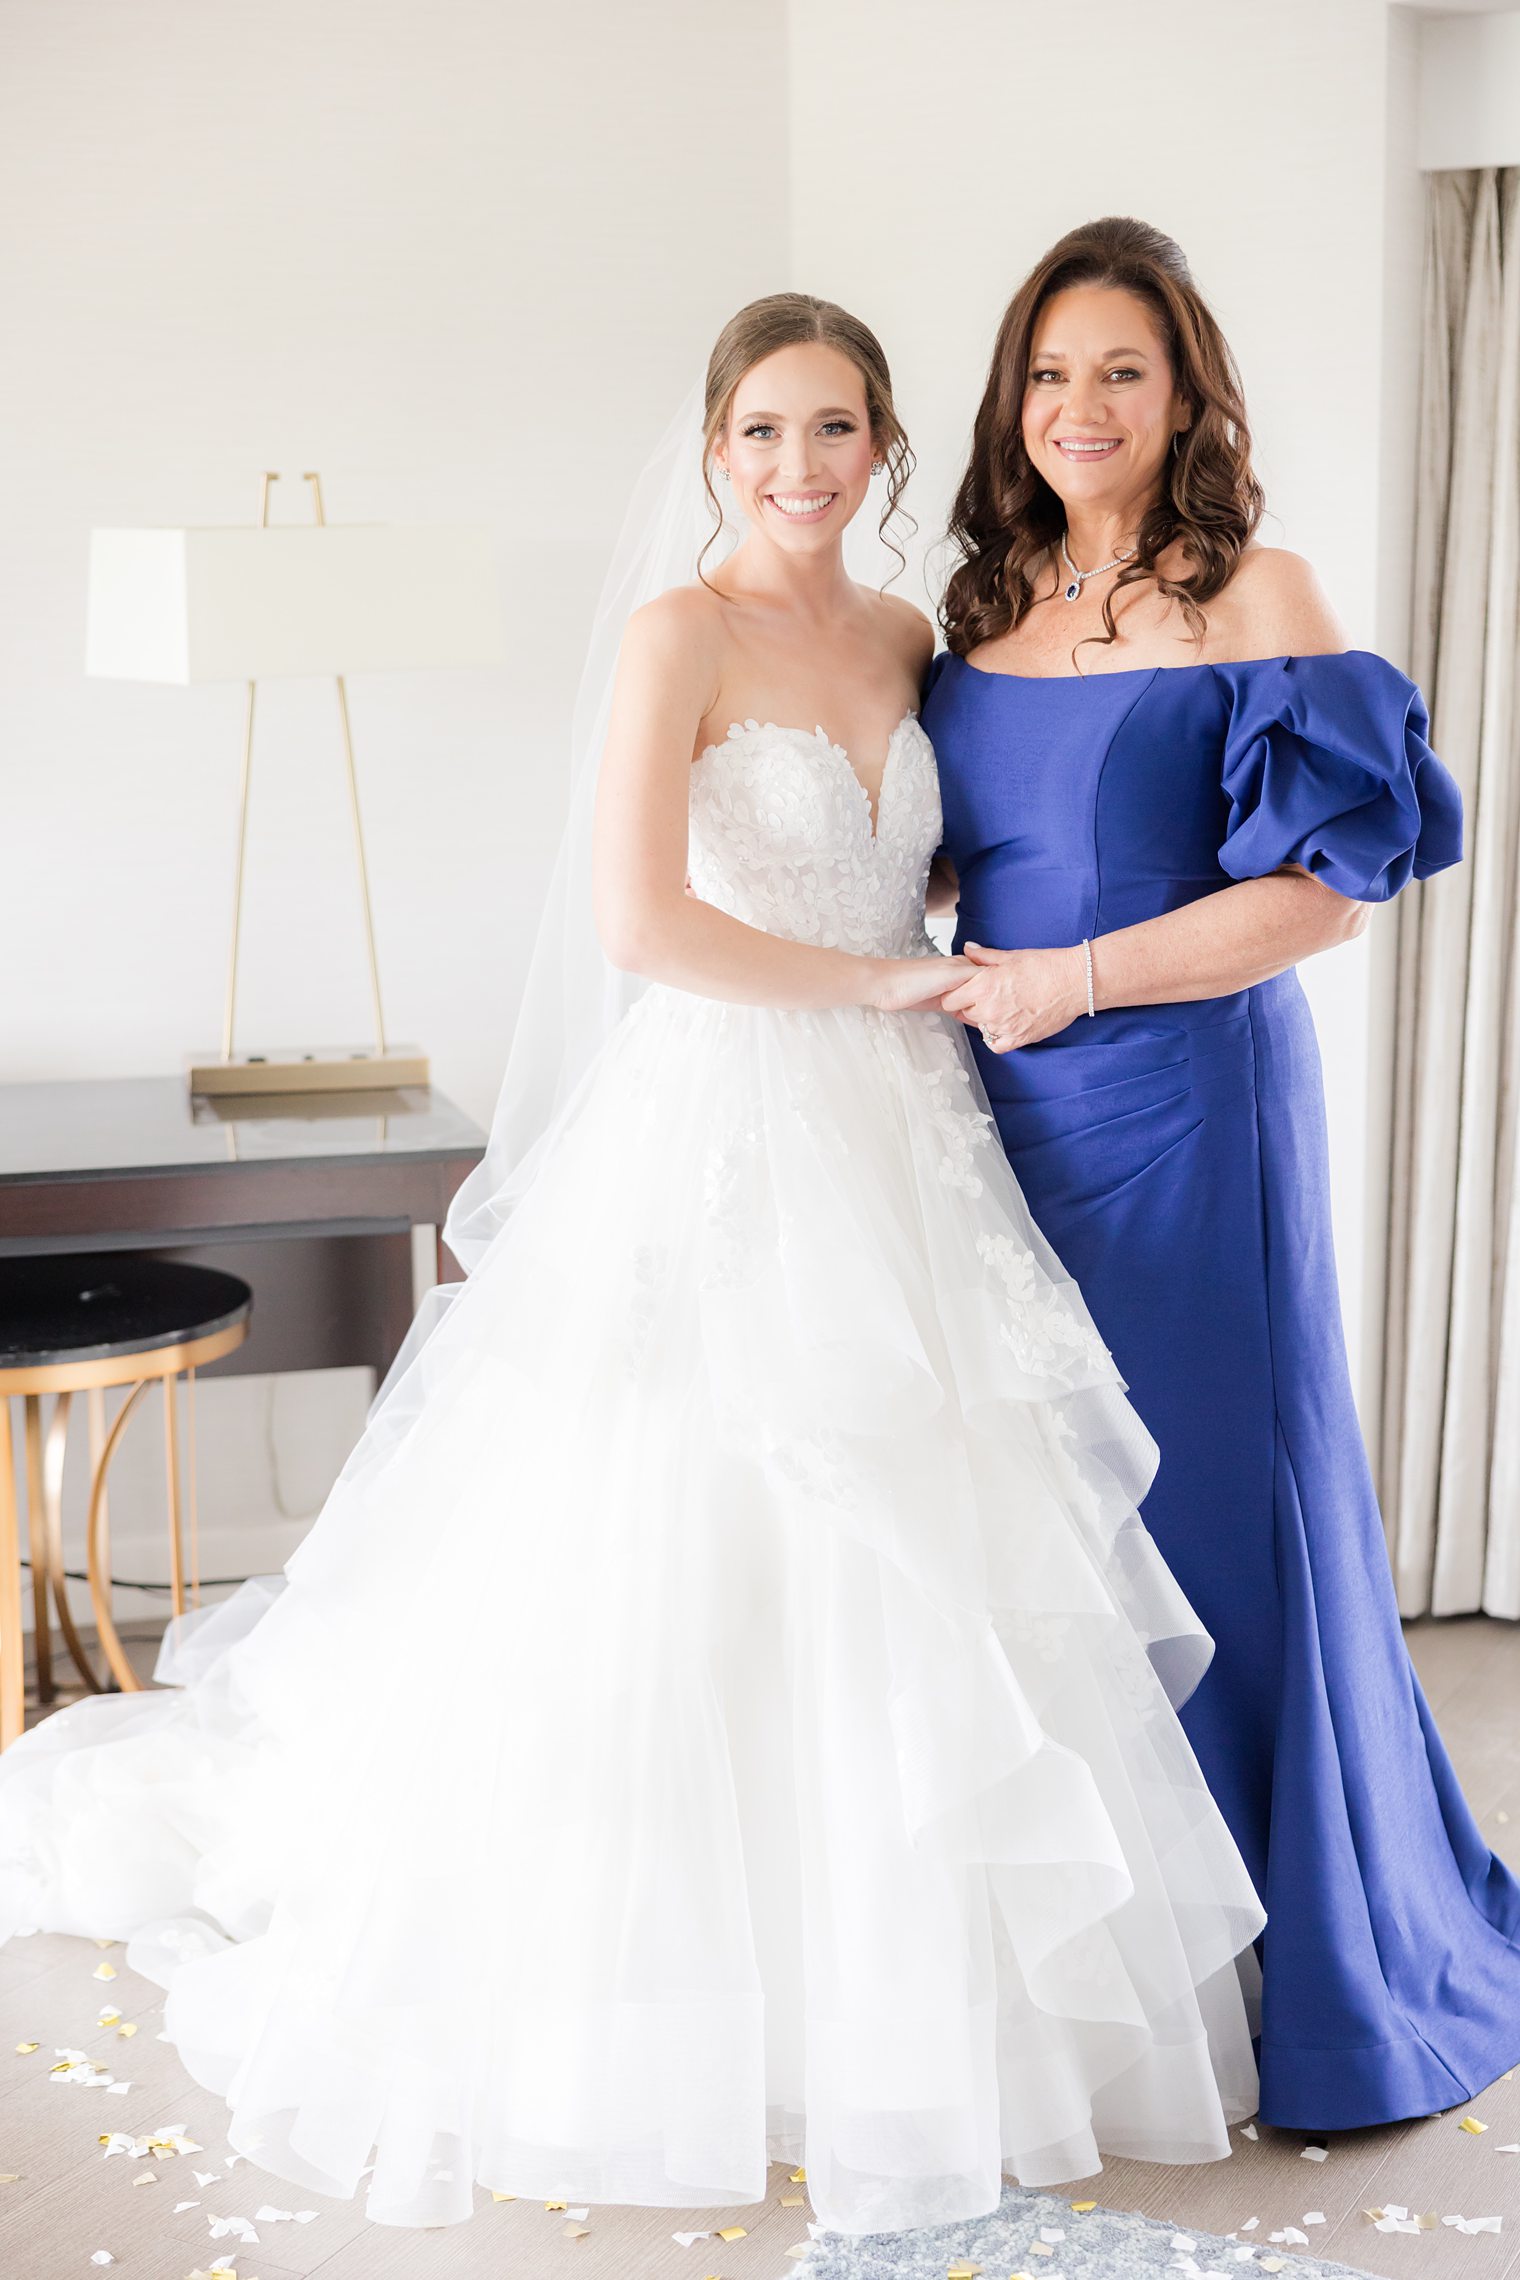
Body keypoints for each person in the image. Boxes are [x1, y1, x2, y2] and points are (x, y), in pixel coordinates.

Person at [0, 292, 1265, 2236]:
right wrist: (881, 983)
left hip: (905, 1132)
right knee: (679, 1540)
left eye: (836, 429)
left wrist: (1025, 961)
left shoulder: (911, 640)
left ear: (887, 450)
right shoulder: (678, 636)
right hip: (729, 1120)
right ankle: (643, 2009)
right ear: (709, 450)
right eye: (763, 433)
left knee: (910, 1559)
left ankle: (902, 2014)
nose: (799, 467)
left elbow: (941, 866)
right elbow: (644, 920)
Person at [920, 215, 1520, 2135]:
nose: (1080, 406)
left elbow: (1319, 902)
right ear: (1011, 405)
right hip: (992, 1113)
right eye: (1049, 373)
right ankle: (1115, 1982)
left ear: (1186, 396)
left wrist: (1069, 980)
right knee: (1047, 1529)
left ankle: (1312, 1975)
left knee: (1216, 1519)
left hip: (1186, 1109)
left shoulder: (1257, 591)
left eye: (1122, 371)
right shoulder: (975, 617)